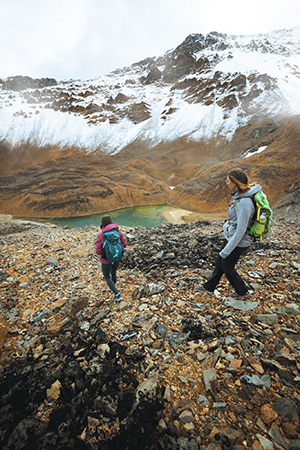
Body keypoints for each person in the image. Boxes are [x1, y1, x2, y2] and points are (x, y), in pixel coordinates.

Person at [199, 168, 262, 298]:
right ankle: (209, 287)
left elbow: (241, 230)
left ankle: (242, 292)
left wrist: (227, 251)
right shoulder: (239, 196)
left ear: (235, 182)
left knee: (227, 267)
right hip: (231, 237)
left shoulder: (244, 203)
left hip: (239, 241)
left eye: (228, 181)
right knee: (219, 261)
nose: (226, 183)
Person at [95, 215, 127, 301]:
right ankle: (113, 286)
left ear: (102, 224)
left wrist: (104, 254)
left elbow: (98, 251)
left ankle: (117, 295)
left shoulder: (101, 235)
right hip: (117, 257)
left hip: (106, 259)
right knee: (113, 272)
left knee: (107, 276)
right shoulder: (118, 232)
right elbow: (124, 245)